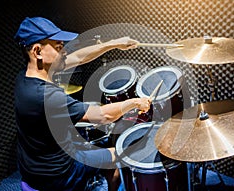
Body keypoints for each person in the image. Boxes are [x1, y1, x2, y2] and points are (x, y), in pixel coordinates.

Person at [13, 16, 151, 191]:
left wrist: (114, 43)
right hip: (59, 174)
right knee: (119, 155)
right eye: (58, 47)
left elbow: (77, 57)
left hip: (33, 167)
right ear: (37, 51)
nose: (64, 52)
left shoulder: (24, 78)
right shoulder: (45, 96)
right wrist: (135, 102)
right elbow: (102, 116)